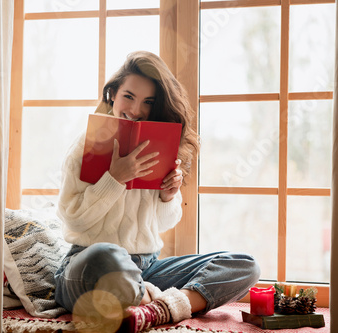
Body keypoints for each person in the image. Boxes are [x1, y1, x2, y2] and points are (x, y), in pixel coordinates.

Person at [54, 51, 260, 332]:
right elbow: (73, 219)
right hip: (90, 264)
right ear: (112, 94)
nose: (136, 110)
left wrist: (168, 195)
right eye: (128, 96)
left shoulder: (157, 143)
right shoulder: (84, 146)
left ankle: (156, 308)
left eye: (148, 102)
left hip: (146, 266)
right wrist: (115, 178)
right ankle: (160, 300)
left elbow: (163, 222)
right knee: (107, 256)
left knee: (244, 266)